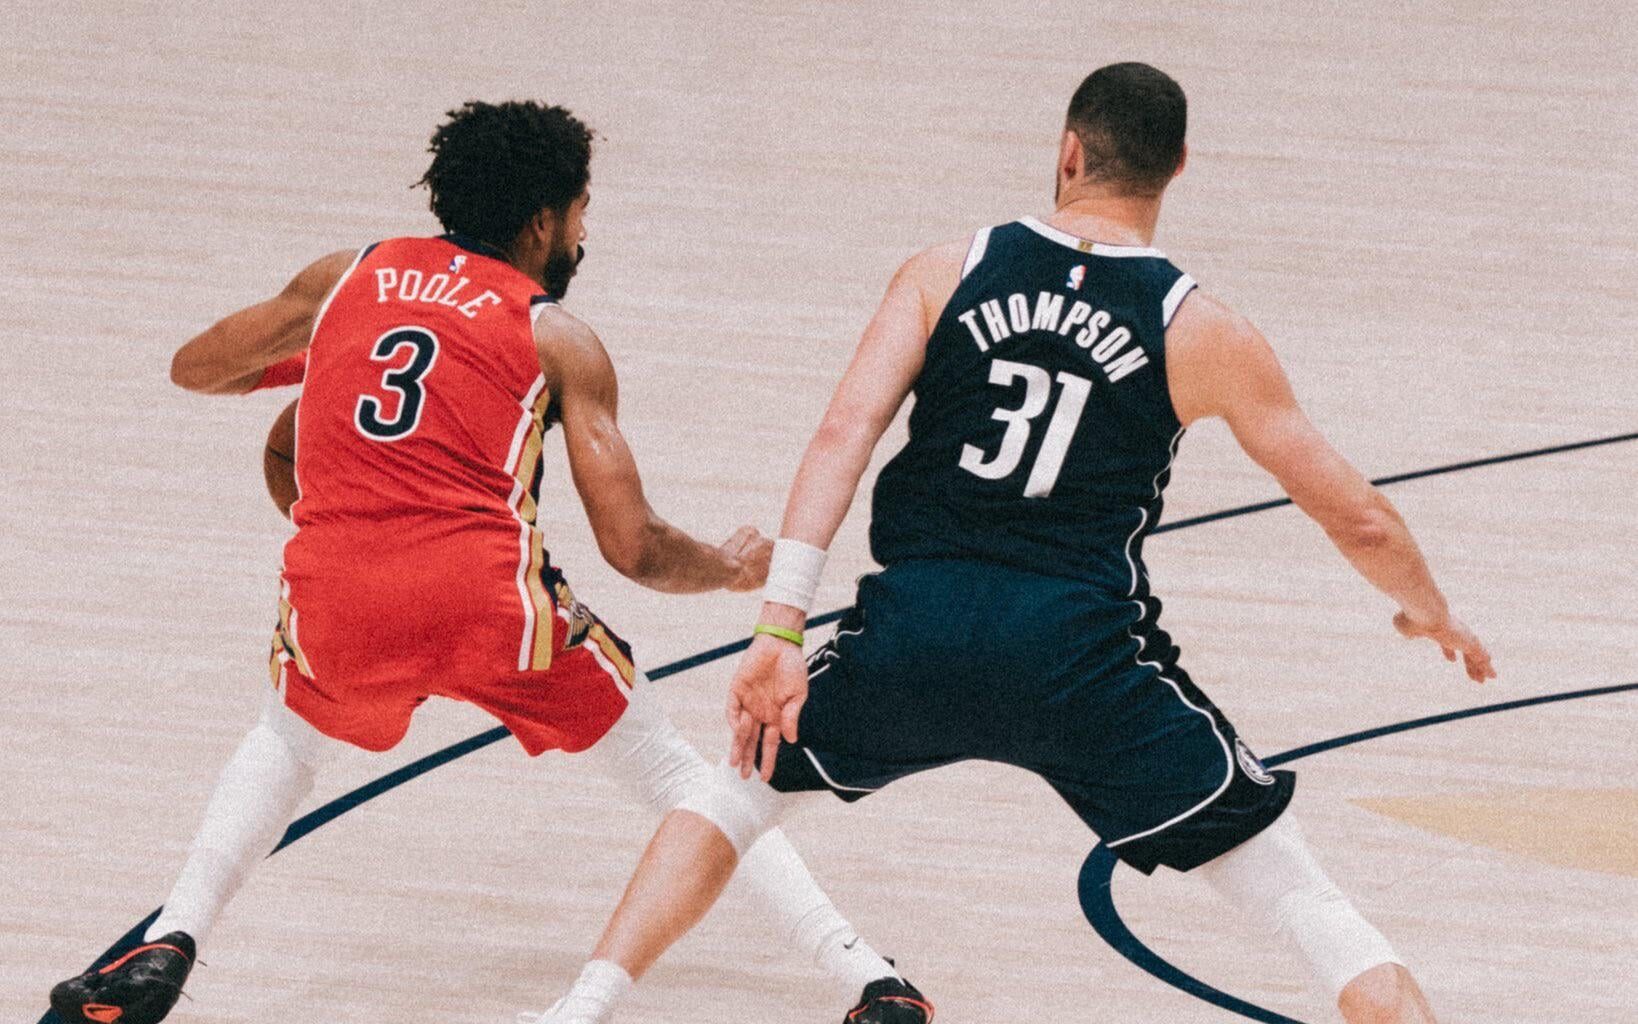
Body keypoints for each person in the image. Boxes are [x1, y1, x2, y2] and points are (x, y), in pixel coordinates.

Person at [543, 64, 1495, 1024]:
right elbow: (1357, 515)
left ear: (1070, 153)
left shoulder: (944, 270)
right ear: (1178, 169)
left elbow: (842, 436)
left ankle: (580, 1008)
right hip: (1082, 661)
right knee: (1306, 907)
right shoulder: (1199, 327)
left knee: (730, 795)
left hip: (915, 632)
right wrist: (1431, 611)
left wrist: (780, 629)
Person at [50, 100, 917, 1024]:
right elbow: (634, 546)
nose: (585, 233)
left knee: (287, 736)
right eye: (582, 211)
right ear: (543, 221)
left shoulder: (348, 275)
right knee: (681, 777)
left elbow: (195, 368)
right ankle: (867, 979)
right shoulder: (555, 335)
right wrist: (729, 569)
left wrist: (316, 355)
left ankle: (170, 942)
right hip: (490, 607)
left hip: (339, 599)